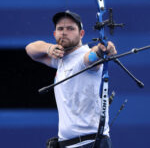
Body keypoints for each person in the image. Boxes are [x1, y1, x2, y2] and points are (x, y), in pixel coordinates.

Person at [25, 10, 117, 148]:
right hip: (67, 144)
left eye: (70, 28)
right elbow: (30, 49)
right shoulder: (60, 60)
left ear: (81, 34)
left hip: (89, 143)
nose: (64, 32)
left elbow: (91, 57)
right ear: (54, 34)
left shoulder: (83, 57)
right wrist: (48, 48)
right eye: (60, 29)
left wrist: (101, 49)